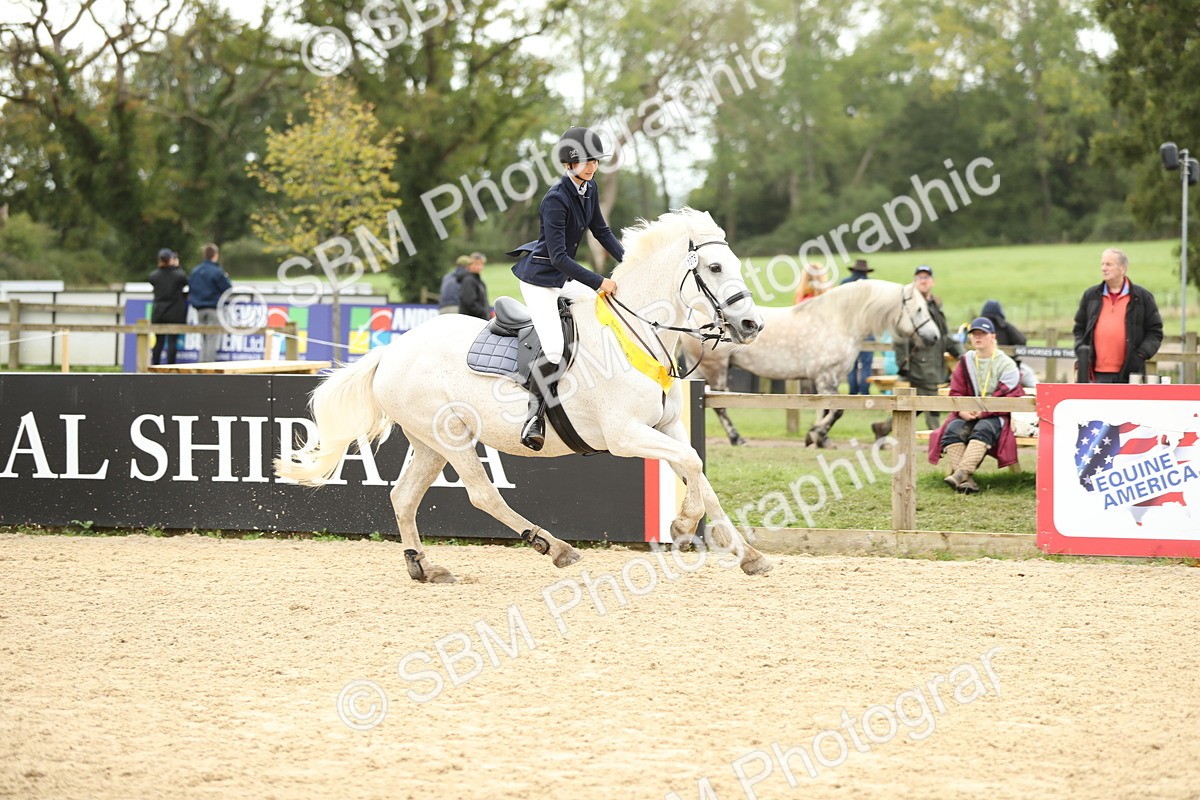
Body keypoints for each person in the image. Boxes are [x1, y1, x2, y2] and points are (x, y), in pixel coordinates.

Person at [506, 126, 622, 450]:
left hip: (563, 277)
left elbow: (602, 231)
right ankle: (534, 415)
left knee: (601, 313)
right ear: (569, 163)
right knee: (555, 348)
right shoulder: (555, 199)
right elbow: (558, 258)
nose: (592, 166)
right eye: (586, 161)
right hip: (541, 279)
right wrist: (599, 281)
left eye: (595, 161)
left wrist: (630, 263)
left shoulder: (590, 188)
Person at [929, 317, 1025, 493]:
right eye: (974, 334)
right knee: (953, 429)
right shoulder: (966, 361)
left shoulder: (1006, 364)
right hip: (968, 412)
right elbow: (956, 392)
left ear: (993, 336)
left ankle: (960, 473)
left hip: (996, 415)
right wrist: (962, 410)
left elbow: (1006, 397)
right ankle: (966, 480)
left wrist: (983, 413)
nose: (977, 337)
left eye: (982, 334)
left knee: (983, 428)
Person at [1072, 248, 1163, 383]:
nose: (1103, 268)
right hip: (1095, 375)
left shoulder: (1142, 297)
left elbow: (1155, 333)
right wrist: (1081, 350)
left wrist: (1141, 354)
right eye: (1102, 264)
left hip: (1131, 374)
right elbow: (1079, 329)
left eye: (1108, 264)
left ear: (1123, 268)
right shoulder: (1090, 296)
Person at [892, 265, 963, 429]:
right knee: (932, 400)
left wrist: (961, 354)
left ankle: (883, 427)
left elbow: (944, 335)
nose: (923, 281)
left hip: (935, 361)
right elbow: (900, 337)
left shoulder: (935, 304)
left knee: (916, 403)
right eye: (919, 278)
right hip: (918, 363)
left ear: (932, 282)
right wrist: (903, 365)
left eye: (926, 277)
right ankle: (937, 440)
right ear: (914, 282)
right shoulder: (909, 306)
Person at [188, 243, 232, 363]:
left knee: (204, 338)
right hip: (213, 308)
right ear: (215, 255)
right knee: (212, 338)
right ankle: (208, 366)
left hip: (199, 309)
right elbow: (227, 288)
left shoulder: (196, 270)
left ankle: (201, 364)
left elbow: (191, 287)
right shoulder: (216, 271)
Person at [981, 299, 1037, 388]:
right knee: (1029, 376)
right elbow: (1022, 341)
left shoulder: (979, 328)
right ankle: (1042, 395)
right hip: (1010, 366)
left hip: (981, 366)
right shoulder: (1005, 327)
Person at [148, 248, 187, 365]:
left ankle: (154, 366)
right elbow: (185, 280)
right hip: (174, 314)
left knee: (158, 343)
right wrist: (177, 266)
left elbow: (156, 275)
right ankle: (170, 368)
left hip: (159, 313)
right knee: (172, 343)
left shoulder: (154, 276)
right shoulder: (178, 276)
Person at [841, 259, 874, 395]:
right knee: (866, 362)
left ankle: (853, 392)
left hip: (849, 329)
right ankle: (865, 392)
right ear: (866, 271)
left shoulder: (844, 285)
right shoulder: (872, 286)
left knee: (851, 363)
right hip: (867, 328)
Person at [458, 251, 490, 320]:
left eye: (481, 264)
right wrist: (483, 312)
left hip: (477, 319)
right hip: (471, 321)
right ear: (469, 265)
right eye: (476, 264)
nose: (479, 267)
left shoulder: (478, 280)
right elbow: (469, 302)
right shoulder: (468, 280)